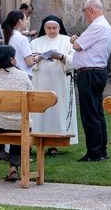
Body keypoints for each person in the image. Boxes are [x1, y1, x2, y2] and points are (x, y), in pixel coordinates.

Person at [0, 45, 33, 182]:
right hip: (18, 124)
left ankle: (0, 151)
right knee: (20, 124)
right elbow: (32, 96)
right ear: (12, 59)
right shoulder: (22, 76)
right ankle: (13, 167)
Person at [70, 0, 111, 162]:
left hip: (89, 73)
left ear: (90, 10)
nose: (84, 16)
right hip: (96, 72)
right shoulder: (104, 26)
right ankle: (101, 149)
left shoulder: (97, 26)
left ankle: (94, 152)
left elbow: (77, 46)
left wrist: (74, 39)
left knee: (90, 113)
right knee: (97, 112)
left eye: (84, 12)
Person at [31, 15, 78, 154]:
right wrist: (39, 57)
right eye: (48, 28)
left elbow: (74, 60)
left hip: (60, 83)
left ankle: (55, 144)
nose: (51, 31)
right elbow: (30, 61)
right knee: (41, 112)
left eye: (54, 28)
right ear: (44, 28)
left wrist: (61, 57)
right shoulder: (35, 42)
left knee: (57, 111)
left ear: (59, 28)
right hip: (40, 83)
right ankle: (38, 140)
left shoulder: (67, 41)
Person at [2, 10, 34, 79]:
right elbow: (29, 62)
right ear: (20, 21)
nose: (27, 22)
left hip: (12, 75)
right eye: (25, 19)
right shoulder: (22, 39)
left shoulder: (9, 37)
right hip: (24, 75)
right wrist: (40, 57)